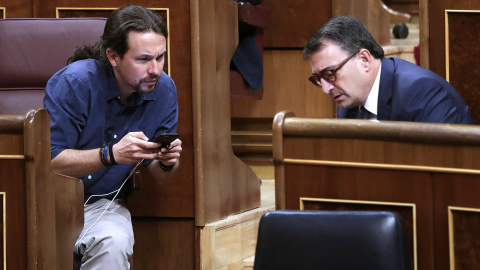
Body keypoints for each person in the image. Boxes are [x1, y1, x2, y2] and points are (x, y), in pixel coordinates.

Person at [43, 5, 182, 269]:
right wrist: (111, 155)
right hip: (48, 203)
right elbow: (48, 161)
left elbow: (160, 174)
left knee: (114, 241)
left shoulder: (164, 90)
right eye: (143, 59)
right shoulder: (75, 83)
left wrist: (167, 161)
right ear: (113, 56)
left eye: (160, 57)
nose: (155, 69)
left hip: (103, 205)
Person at [303, 16, 475, 124]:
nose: (326, 89)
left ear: (364, 59)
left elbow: (437, 172)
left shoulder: (421, 91)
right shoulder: (348, 106)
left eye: (330, 74)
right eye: (319, 79)